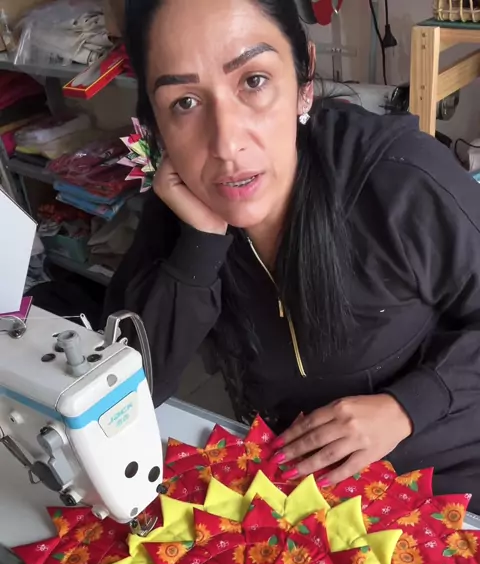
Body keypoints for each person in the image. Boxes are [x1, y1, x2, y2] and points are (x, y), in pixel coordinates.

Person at [105, 0, 480, 509]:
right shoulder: (180, 210)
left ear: (304, 78)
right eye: (185, 103)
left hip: (448, 488)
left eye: (253, 81)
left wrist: (407, 407)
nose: (226, 144)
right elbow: (124, 392)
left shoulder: (398, 179)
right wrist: (200, 243)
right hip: (307, 500)